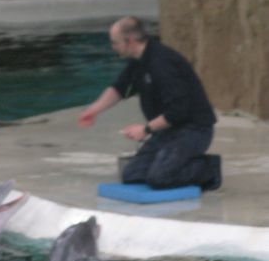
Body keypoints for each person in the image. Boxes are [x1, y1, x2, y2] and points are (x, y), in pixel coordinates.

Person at [78, 16, 221, 190]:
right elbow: (118, 89)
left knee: (160, 178)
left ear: (130, 41)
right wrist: (93, 110)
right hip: (166, 131)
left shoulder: (163, 63)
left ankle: (209, 169)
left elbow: (178, 111)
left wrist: (145, 130)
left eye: (115, 42)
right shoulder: (139, 61)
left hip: (193, 130)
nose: (113, 47)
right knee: (132, 175)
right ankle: (171, 160)